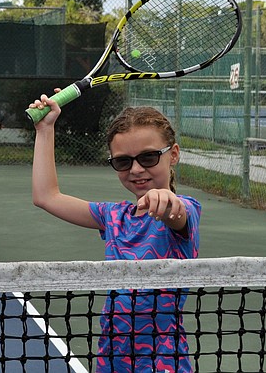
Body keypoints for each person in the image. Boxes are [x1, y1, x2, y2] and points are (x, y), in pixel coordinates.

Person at [29, 94, 200, 373]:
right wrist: (45, 129)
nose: (136, 169)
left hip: (163, 365)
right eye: (123, 162)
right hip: (111, 362)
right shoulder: (114, 217)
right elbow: (46, 196)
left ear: (174, 155)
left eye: (148, 157)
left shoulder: (186, 212)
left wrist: (165, 198)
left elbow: (177, 213)